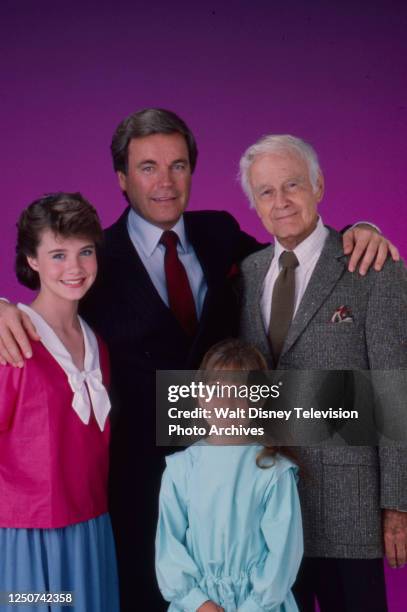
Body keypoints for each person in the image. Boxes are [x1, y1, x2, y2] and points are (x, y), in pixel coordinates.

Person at [0, 109, 400, 610]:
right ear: (122, 178)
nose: (165, 182)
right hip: (144, 491)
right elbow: (49, 296)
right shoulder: (96, 257)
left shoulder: (220, 235)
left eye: (179, 165)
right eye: (147, 167)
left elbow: (302, 256)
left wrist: (360, 228)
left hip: (244, 479)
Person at [238, 134, 407, 611]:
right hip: (267, 512)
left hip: (349, 509)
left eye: (292, 184)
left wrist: (398, 505)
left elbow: (396, 391)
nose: (281, 201)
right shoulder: (247, 273)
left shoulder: (372, 269)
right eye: (266, 192)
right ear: (254, 204)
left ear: (318, 185)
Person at [0, 193, 119, 611]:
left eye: (85, 251)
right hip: (27, 538)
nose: (75, 268)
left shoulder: (98, 344)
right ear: (31, 260)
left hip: (91, 530)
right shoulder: (11, 341)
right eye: (57, 254)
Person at [156, 339, 303, 612]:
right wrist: (198, 602)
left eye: (240, 392)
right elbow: (169, 547)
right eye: (217, 390)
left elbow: (284, 554)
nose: (226, 401)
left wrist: (253, 606)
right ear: (201, 396)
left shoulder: (274, 472)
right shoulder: (180, 470)